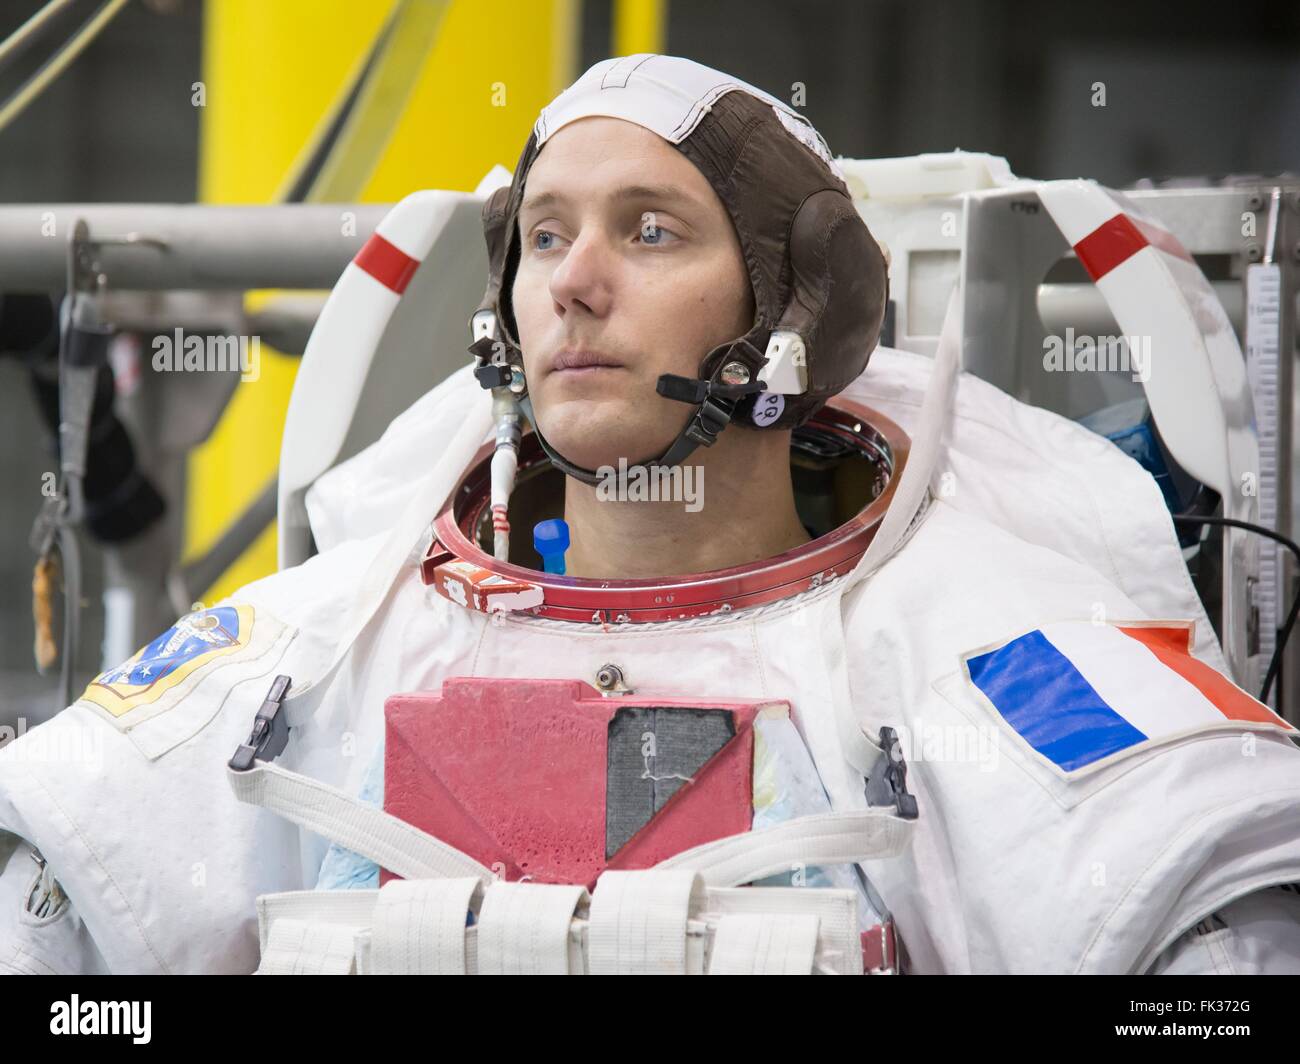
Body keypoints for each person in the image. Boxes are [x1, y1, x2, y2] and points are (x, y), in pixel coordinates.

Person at [3, 54, 1299, 976]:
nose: (574, 284)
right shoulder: (316, 650)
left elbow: (1199, 896)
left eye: (651, 232)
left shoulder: (974, 648)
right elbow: (62, 911)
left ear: (798, 310)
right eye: (548, 237)